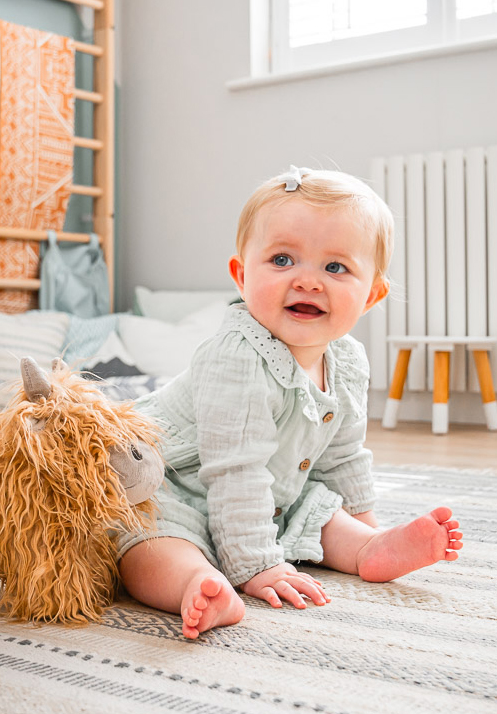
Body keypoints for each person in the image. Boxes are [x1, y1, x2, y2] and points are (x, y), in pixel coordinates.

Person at [118, 166, 462, 640]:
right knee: (147, 544)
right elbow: (233, 471)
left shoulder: (348, 361)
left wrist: (364, 525)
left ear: (372, 295)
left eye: (335, 267)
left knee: (317, 507)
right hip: (174, 488)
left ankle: (370, 551)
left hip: (270, 495)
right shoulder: (234, 355)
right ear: (242, 275)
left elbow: (342, 457)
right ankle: (198, 583)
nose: (308, 281)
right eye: (282, 260)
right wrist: (255, 565)